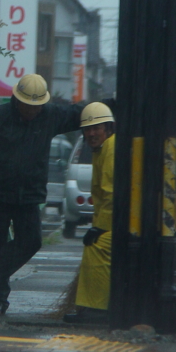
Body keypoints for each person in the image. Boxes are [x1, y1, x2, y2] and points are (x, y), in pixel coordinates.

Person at [0, 73, 85, 315]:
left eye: (38, 107)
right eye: (29, 106)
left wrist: (112, 104)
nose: (33, 111)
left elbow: (79, 112)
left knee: (31, 242)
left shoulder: (51, 116)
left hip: (29, 195)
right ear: (18, 101)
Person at [63, 102, 115, 325]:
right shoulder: (101, 149)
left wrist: (100, 228)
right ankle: (89, 307)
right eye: (87, 129)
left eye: (97, 128)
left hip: (118, 223)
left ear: (108, 128)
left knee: (98, 248)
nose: (91, 133)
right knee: (92, 245)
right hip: (115, 221)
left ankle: (98, 309)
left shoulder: (111, 150)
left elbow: (111, 195)